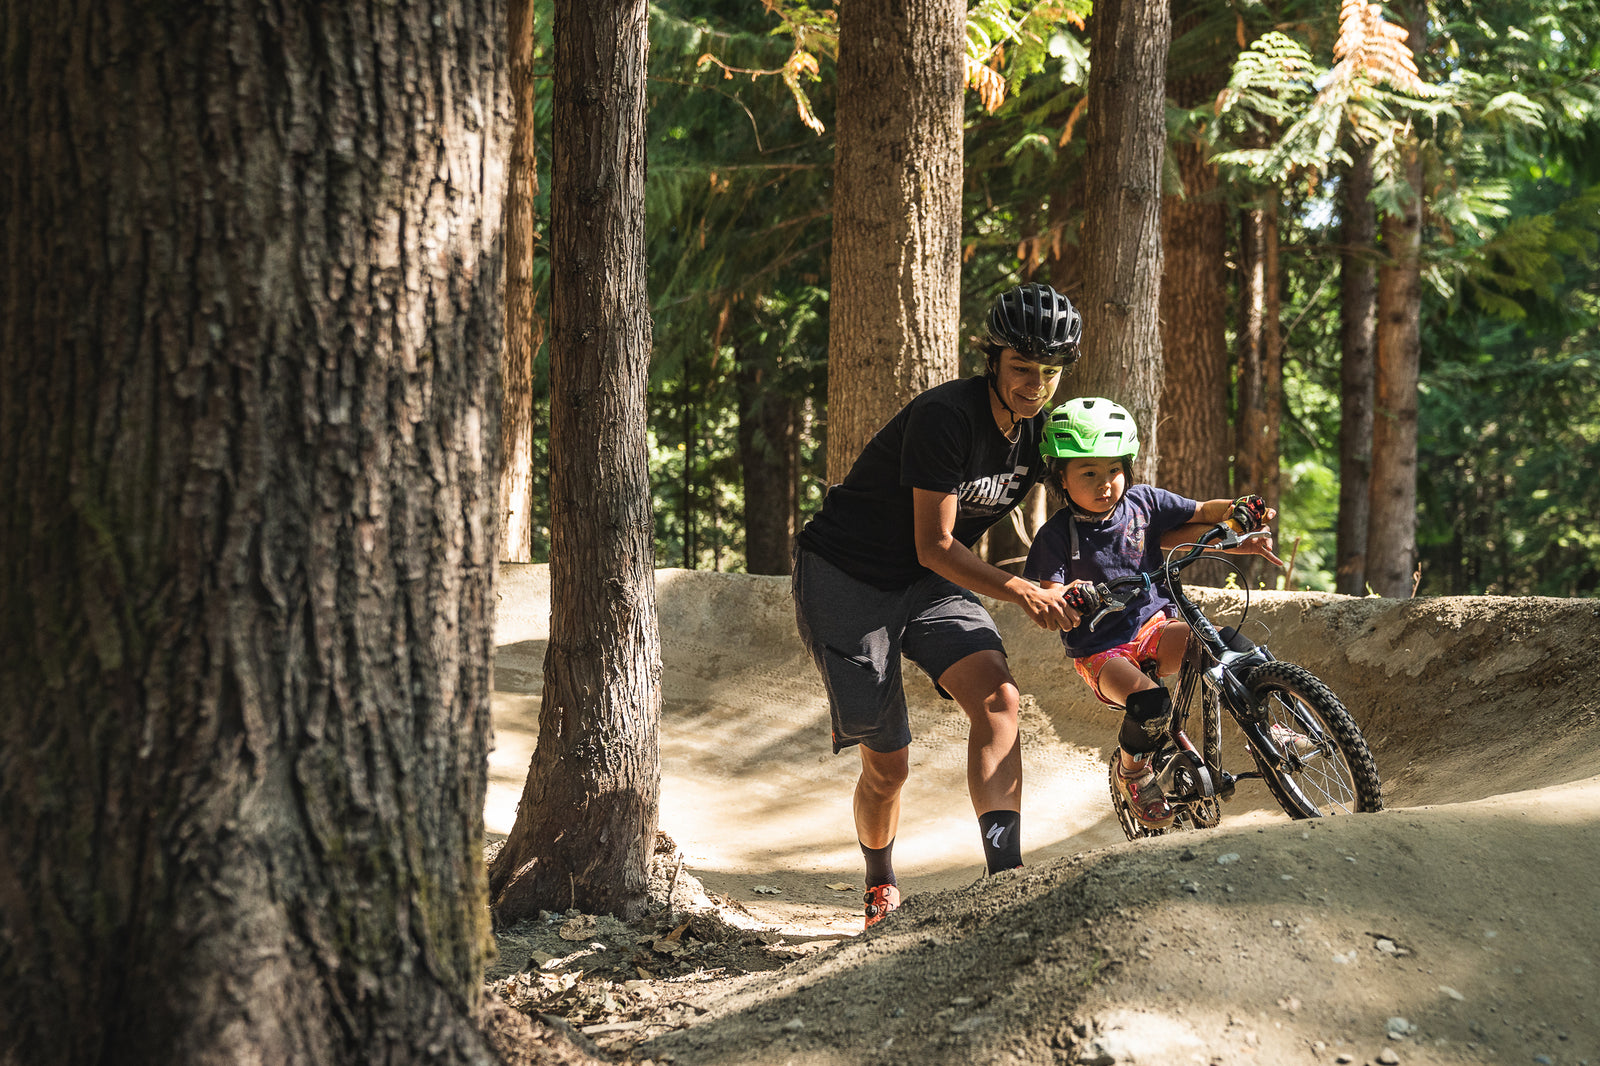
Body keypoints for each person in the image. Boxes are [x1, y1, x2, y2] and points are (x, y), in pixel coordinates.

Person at [792, 282, 1085, 929]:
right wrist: (1022, 590)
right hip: (848, 576)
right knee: (888, 766)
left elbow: (1092, 506)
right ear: (993, 359)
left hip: (927, 586)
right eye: (1022, 370)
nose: (1035, 386)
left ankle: (1004, 881)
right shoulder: (948, 417)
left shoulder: (1038, 435)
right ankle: (879, 884)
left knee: (999, 700)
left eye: (1048, 373)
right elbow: (936, 544)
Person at [1021, 397, 1284, 830]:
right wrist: (1070, 595)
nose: (1105, 483)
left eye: (1114, 469)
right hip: (1101, 651)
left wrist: (1239, 516)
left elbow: (1202, 512)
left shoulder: (1143, 504)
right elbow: (1046, 596)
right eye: (1089, 472)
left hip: (1154, 628)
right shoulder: (1055, 536)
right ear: (1061, 479)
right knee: (1151, 703)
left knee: (1231, 646)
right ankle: (1132, 773)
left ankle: (1272, 729)